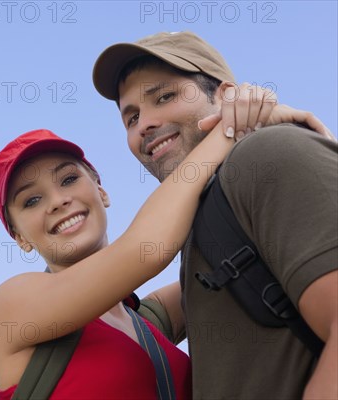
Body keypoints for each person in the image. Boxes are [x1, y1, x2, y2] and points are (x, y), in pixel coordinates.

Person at [0, 88, 321, 399]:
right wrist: (229, 129)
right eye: (31, 201)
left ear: (101, 190)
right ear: (19, 237)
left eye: (68, 179)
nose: (57, 201)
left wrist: (266, 124)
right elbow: (148, 248)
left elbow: (258, 252)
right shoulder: (9, 307)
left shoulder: (148, 320)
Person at [92, 30, 337, 399]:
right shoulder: (203, 224)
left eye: (165, 96)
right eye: (132, 118)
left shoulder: (267, 154)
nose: (144, 124)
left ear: (225, 95)